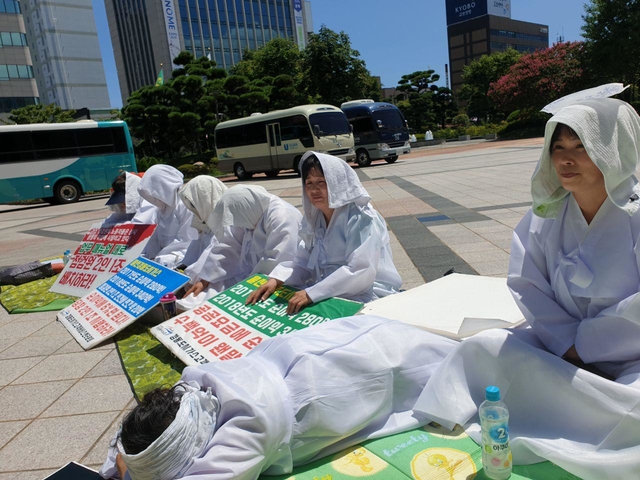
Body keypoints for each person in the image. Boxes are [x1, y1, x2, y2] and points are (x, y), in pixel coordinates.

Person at [412, 97, 640, 479]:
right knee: (483, 347)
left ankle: (564, 415)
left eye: (581, 147)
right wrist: (568, 345)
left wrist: (587, 346)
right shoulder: (547, 214)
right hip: (561, 348)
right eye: (558, 147)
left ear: (613, 150)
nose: (566, 160)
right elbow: (526, 282)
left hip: (632, 355)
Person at [99, 315, 458, 480]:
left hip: (340, 379)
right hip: (306, 356)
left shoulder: (245, 431)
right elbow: (128, 439)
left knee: (420, 370)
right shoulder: (193, 390)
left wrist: (126, 470)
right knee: (387, 347)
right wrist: (125, 463)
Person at [247, 151, 402, 314]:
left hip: (367, 293)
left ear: (337, 182)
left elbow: (361, 270)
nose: (314, 190)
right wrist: (277, 279)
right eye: (309, 183)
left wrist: (312, 293)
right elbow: (303, 260)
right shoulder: (315, 218)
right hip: (326, 291)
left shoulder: (360, 217)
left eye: (321, 182)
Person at [180, 185, 302, 307]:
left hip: (276, 279)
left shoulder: (282, 216)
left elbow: (281, 260)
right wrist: (206, 278)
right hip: (249, 274)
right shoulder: (247, 210)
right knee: (201, 295)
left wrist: (252, 283)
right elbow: (228, 246)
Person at [174, 175, 227, 311]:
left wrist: (192, 277)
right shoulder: (205, 220)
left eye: (195, 204)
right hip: (205, 275)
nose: (193, 209)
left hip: (223, 274)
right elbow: (196, 251)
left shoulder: (225, 224)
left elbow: (214, 258)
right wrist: (183, 271)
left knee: (199, 300)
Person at [136, 164, 199, 269]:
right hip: (164, 258)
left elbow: (187, 242)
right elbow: (154, 239)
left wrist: (162, 258)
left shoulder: (185, 205)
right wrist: (148, 256)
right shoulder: (160, 209)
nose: (153, 196)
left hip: (182, 258)